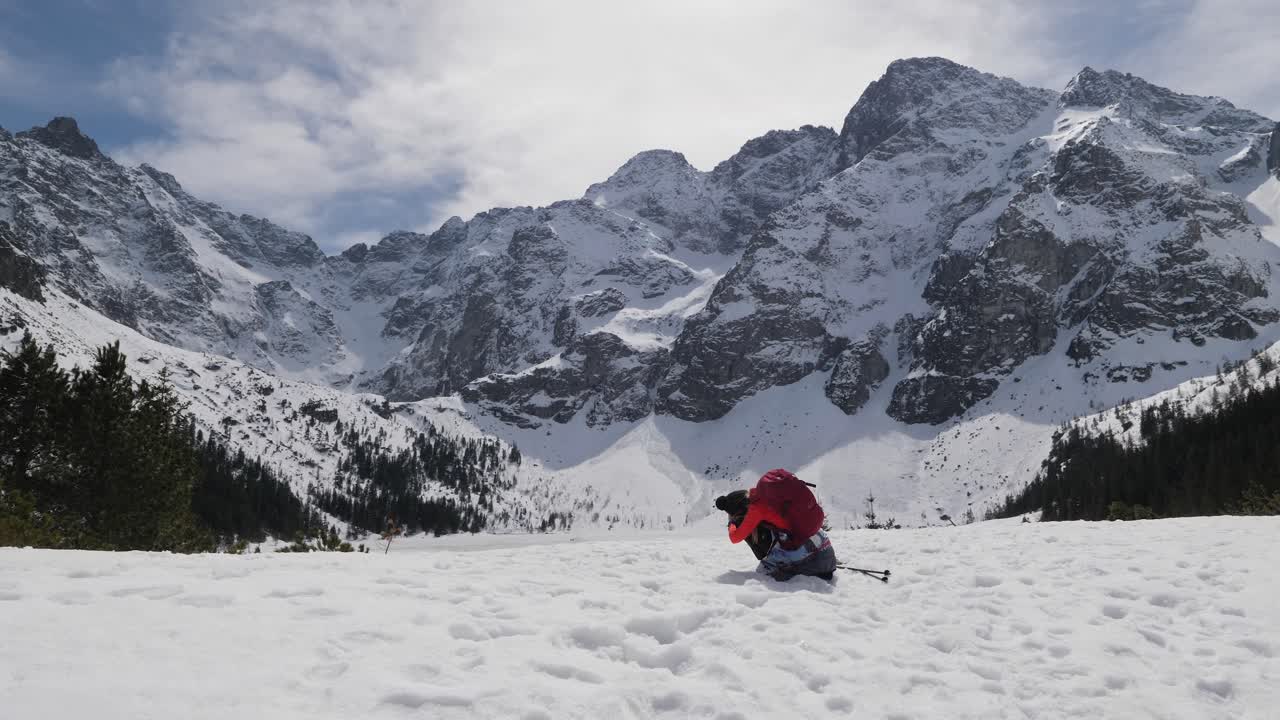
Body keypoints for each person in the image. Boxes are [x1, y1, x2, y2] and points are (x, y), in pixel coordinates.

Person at [714, 468, 838, 581]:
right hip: (823, 545)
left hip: (811, 555)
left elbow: (735, 538)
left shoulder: (756, 509)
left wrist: (732, 524)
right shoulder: (771, 496)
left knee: (762, 574)